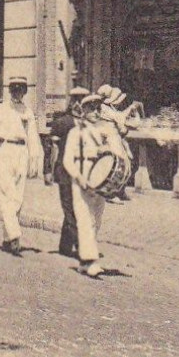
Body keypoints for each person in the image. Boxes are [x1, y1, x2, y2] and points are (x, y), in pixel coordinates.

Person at [0, 75, 43, 256]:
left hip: (21, 153)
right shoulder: (0, 110)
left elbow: (33, 136)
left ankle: (6, 238)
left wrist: (34, 158)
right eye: (15, 89)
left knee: (18, 197)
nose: (18, 93)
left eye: (21, 89)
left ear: (25, 91)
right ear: (9, 90)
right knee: (7, 193)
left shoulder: (27, 111)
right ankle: (15, 235)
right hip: (4, 151)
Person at [61, 91, 113, 279]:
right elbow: (67, 160)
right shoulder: (76, 133)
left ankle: (84, 261)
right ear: (84, 110)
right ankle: (91, 262)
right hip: (82, 179)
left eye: (99, 108)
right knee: (84, 220)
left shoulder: (105, 131)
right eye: (93, 109)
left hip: (100, 181)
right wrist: (78, 177)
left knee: (95, 221)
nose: (97, 112)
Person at [49, 86, 87, 261]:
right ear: (71, 102)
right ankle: (82, 246)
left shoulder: (89, 124)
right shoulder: (63, 123)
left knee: (74, 209)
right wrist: (47, 171)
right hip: (64, 172)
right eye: (76, 100)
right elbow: (53, 149)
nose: (79, 104)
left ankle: (64, 246)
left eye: (83, 101)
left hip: (82, 174)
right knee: (70, 209)